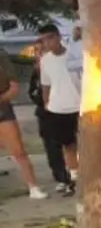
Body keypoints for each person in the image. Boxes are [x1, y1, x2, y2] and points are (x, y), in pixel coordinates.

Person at [35, 24, 81, 195]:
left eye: (50, 38)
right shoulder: (45, 60)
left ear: (58, 37)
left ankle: (86, 175)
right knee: (67, 145)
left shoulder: (73, 54)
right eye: (43, 40)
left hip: (78, 105)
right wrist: (47, 103)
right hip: (57, 108)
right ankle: (74, 178)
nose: (47, 43)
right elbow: (45, 84)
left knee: (82, 144)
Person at [0, 49, 46, 199]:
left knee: (18, 150)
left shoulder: (2, 55)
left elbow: (13, 86)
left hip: (3, 110)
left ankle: (33, 187)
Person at [27, 44, 72, 192]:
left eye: (42, 51)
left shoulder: (63, 65)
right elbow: (32, 92)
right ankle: (61, 178)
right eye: (38, 53)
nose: (40, 56)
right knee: (52, 148)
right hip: (46, 113)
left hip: (65, 110)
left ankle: (74, 174)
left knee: (70, 143)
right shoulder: (37, 73)